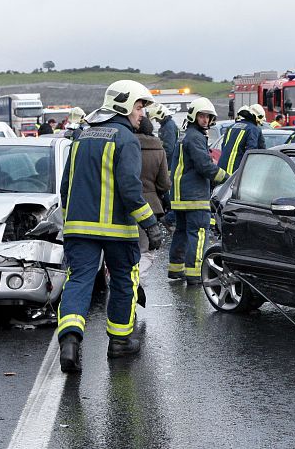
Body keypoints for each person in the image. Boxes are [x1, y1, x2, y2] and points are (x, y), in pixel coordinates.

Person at [56, 80, 164, 373]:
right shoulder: (126, 139)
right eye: (140, 106)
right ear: (125, 105)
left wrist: (69, 222)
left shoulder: (82, 136)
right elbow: (130, 189)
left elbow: (66, 186)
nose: (142, 114)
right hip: (118, 231)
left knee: (78, 281)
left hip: (79, 228)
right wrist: (151, 224)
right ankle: (119, 343)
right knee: (123, 281)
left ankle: (70, 341)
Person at [168, 97, 229, 285]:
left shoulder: (185, 135)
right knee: (199, 232)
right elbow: (204, 166)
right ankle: (195, 274)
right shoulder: (195, 137)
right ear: (194, 116)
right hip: (194, 196)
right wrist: (228, 178)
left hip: (180, 196)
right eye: (202, 116)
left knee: (182, 232)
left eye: (208, 117)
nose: (205, 120)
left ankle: (176, 268)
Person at [135, 116, 171, 253]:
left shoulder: (125, 144)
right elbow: (164, 184)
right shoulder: (158, 148)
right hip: (151, 207)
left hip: (127, 206)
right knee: (146, 252)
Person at [218, 103, 265, 175]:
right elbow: (252, 152)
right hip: (236, 173)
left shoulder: (231, 127)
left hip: (222, 170)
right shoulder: (253, 129)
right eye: (258, 122)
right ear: (256, 117)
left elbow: (223, 146)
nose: (258, 124)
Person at [149, 104, 178, 170]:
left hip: (170, 163)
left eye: (156, 118)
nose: (156, 121)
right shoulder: (167, 125)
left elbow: (168, 148)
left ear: (161, 115)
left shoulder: (168, 127)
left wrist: (160, 160)